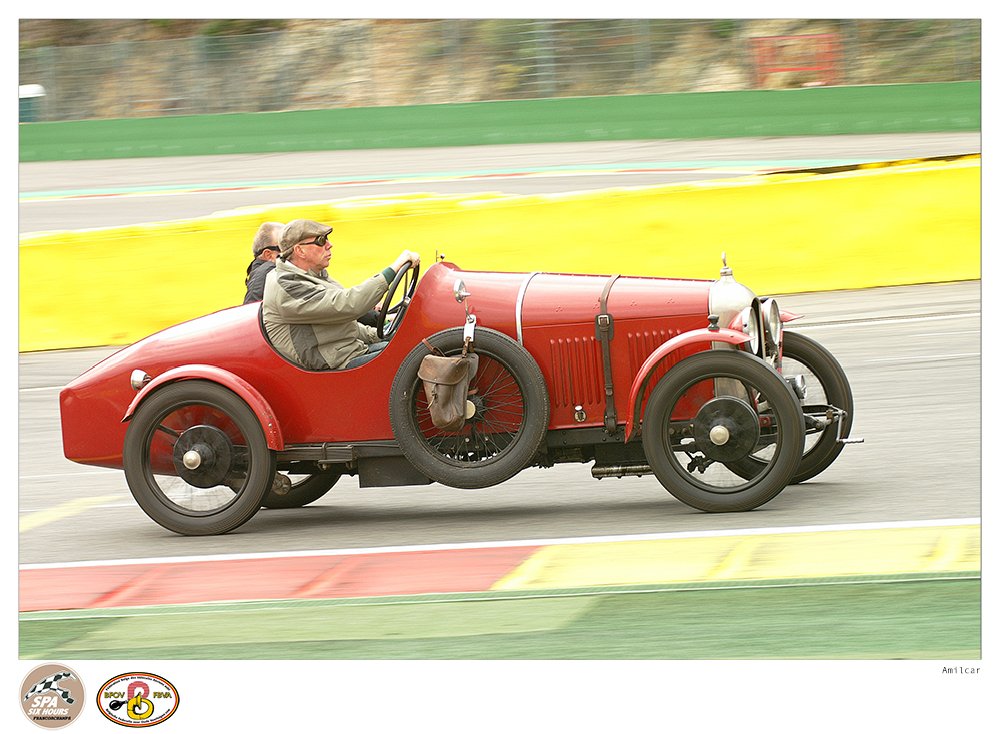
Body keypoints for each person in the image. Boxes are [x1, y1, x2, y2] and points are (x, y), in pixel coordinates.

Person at [262, 219, 420, 370]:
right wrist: (394, 269)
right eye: (321, 241)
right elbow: (349, 304)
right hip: (336, 363)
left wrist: (381, 334)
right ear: (300, 250)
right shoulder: (287, 286)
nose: (329, 245)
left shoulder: (311, 274)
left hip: (347, 351)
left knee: (415, 344)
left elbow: (343, 323)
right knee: (413, 356)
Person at [243, 222, 283, 304]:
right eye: (285, 247)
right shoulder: (265, 273)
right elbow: (252, 307)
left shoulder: (264, 274)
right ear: (268, 255)